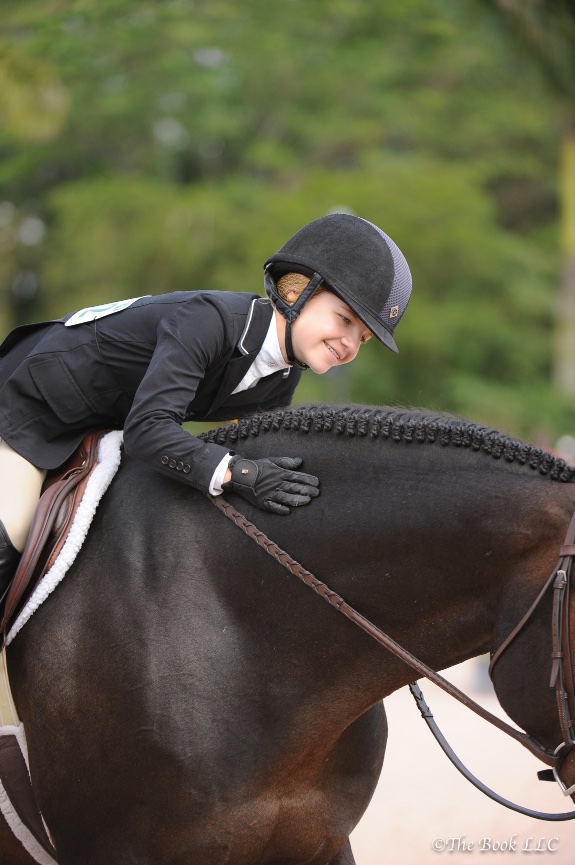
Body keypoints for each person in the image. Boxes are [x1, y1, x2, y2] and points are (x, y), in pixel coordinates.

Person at [0, 213, 412, 596]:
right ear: (296, 291)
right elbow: (151, 430)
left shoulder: (284, 374)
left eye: (362, 338)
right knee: (10, 536)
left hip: (102, 428)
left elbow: (266, 458)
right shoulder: (208, 320)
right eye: (344, 319)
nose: (349, 344)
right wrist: (239, 472)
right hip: (31, 407)